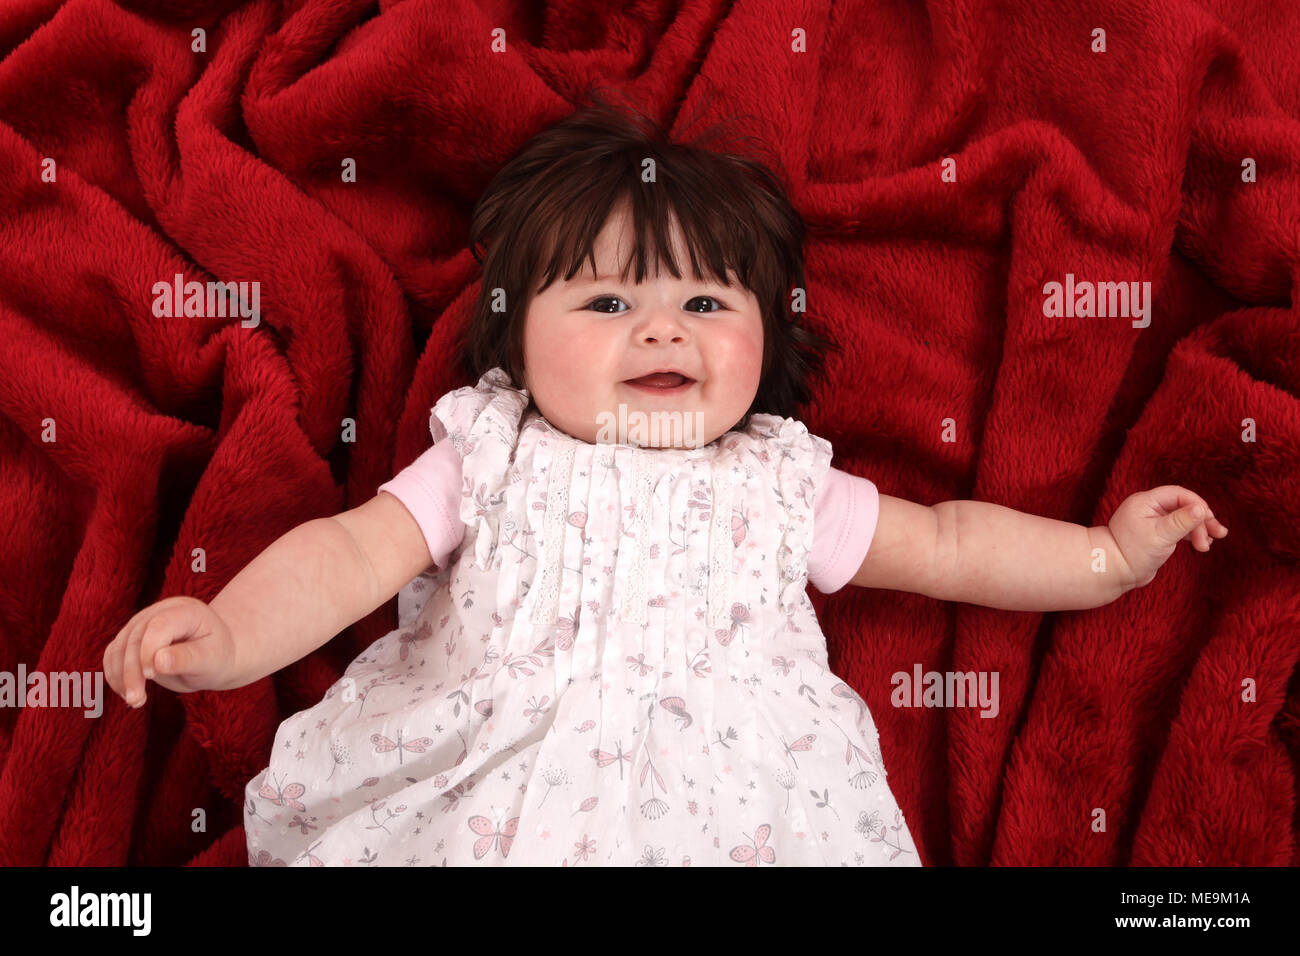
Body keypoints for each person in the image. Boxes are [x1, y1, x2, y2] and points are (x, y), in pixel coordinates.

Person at [103, 98, 1228, 866]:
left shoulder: (778, 483)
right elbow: (349, 550)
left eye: (705, 303)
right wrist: (231, 630)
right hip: (491, 795)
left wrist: (1105, 555)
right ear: (515, 343)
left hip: (740, 809)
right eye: (603, 302)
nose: (659, 327)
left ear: (764, 343)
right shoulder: (490, 454)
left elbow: (944, 541)